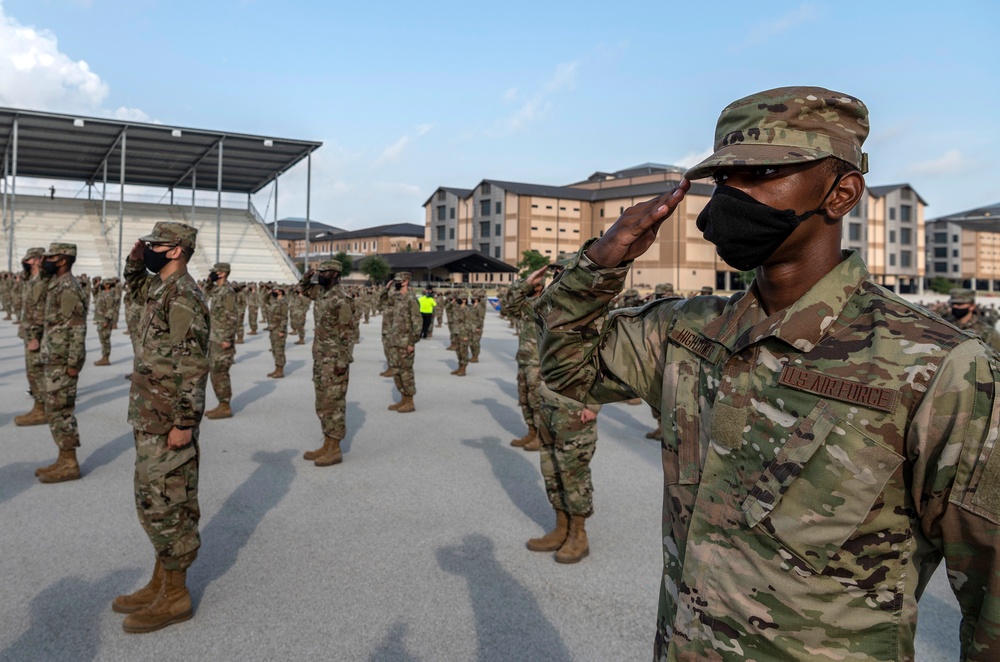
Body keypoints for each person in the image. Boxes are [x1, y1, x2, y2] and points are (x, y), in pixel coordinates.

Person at [534, 86, 1000, 660]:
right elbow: (566, 369)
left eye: (762, 172)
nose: (732, 196)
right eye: (723, 180)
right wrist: (603, 261)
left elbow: (990, 592)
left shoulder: (934, 365)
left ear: (842, 193)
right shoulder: (688, 331)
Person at [114, 221, 209, 633]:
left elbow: (192, 364)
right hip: (150, 413)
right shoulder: (159, 289)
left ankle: (175, 595)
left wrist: (185, 422)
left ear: (176, 251)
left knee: (169, 504)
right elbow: (133, 290)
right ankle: (159, 582)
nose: (148, 248)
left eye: (155, 244)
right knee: (152, 504)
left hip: (169, 419)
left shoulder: (184, 295)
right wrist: (135, 261)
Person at [528, 384, 600, 564]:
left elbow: (605, 363)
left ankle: (578, 535)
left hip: (574, 408)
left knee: (573, 472)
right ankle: (561, 529)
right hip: (548, 404)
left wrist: (593, 405)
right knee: (550, 469)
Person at [35, 243, 86, 483]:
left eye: (51, 257)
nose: (46, 261)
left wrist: (74, 363)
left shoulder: (68, 287)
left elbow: (77, 327)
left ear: (63, 260)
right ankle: (63, 457)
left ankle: (69, 463)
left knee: (61, 411)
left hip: (63, 362)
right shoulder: (56, 283)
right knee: (54, 410)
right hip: (54, 358)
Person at [300, 260, 356, 466]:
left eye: (323, 272)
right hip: (321, 357)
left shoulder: (342, 299)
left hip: (334, 360)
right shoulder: (321, 293)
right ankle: (327, 443)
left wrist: (342, 361)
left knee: (334, 403)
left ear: (334, 274)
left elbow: (348, 334)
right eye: (319, 272)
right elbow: (304, 289)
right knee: (323, 402)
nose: (319, 275)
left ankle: (335, 448)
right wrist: (307, 276)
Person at [14, 247, 49, 427]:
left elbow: (39, 310)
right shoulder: (31, 279)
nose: (25, 262)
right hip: (29, 332)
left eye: (28, 260)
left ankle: (41, 410)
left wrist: (34, 336)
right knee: (32, 372)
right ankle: (39, 406)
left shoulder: (41, 281)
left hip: (36, 334)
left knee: (36, 372)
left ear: (36, 260)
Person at [203, 263, 237, 419]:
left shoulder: (228, 292)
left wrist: (228, 339)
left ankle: (225, 406)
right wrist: (209, 280)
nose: (212, 275)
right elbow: (205, 291)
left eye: (215, 273)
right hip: (214, 337)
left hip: (222, 338)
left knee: (220, 372)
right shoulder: (216, 290)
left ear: (223, 274)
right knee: (215, 371)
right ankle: (221, 403)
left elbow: (232, 316)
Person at [385, 272, 422, 413]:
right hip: (394, 340)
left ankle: (410, 401)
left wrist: (412, 342)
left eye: (399, 281)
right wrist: (386, 288)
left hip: (406, 342)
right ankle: (403, 398)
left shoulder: (411, 298)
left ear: (406, 281)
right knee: (396, 371)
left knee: (406, 372)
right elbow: (381, 302)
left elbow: (417, 321)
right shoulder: (396, 297)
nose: (396, 283)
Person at [266, 285, 288, 378]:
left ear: (280, 291)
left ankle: (280, 370)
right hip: (273, 328)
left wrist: (282, 330)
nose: (273, 291)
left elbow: (284, 317)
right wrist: (268, 293)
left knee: (279, 350)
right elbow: (264, 300)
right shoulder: (274, 301)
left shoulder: (283, 303)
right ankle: (276, 368)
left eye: (275, 290)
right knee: (274, 350)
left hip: (279, 329)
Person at [93, 277, 117, 366]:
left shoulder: (110, 295)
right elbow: (94, 294)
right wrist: (96, 286)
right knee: (102, 339)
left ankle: (106, 358)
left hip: (105, 320)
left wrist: (106, 320)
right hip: (100, 319)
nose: (103, 285)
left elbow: (110, 309)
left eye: (104, 284)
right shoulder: (103, 293)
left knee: (105, 340)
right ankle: (104, 357)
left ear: (108, 285)